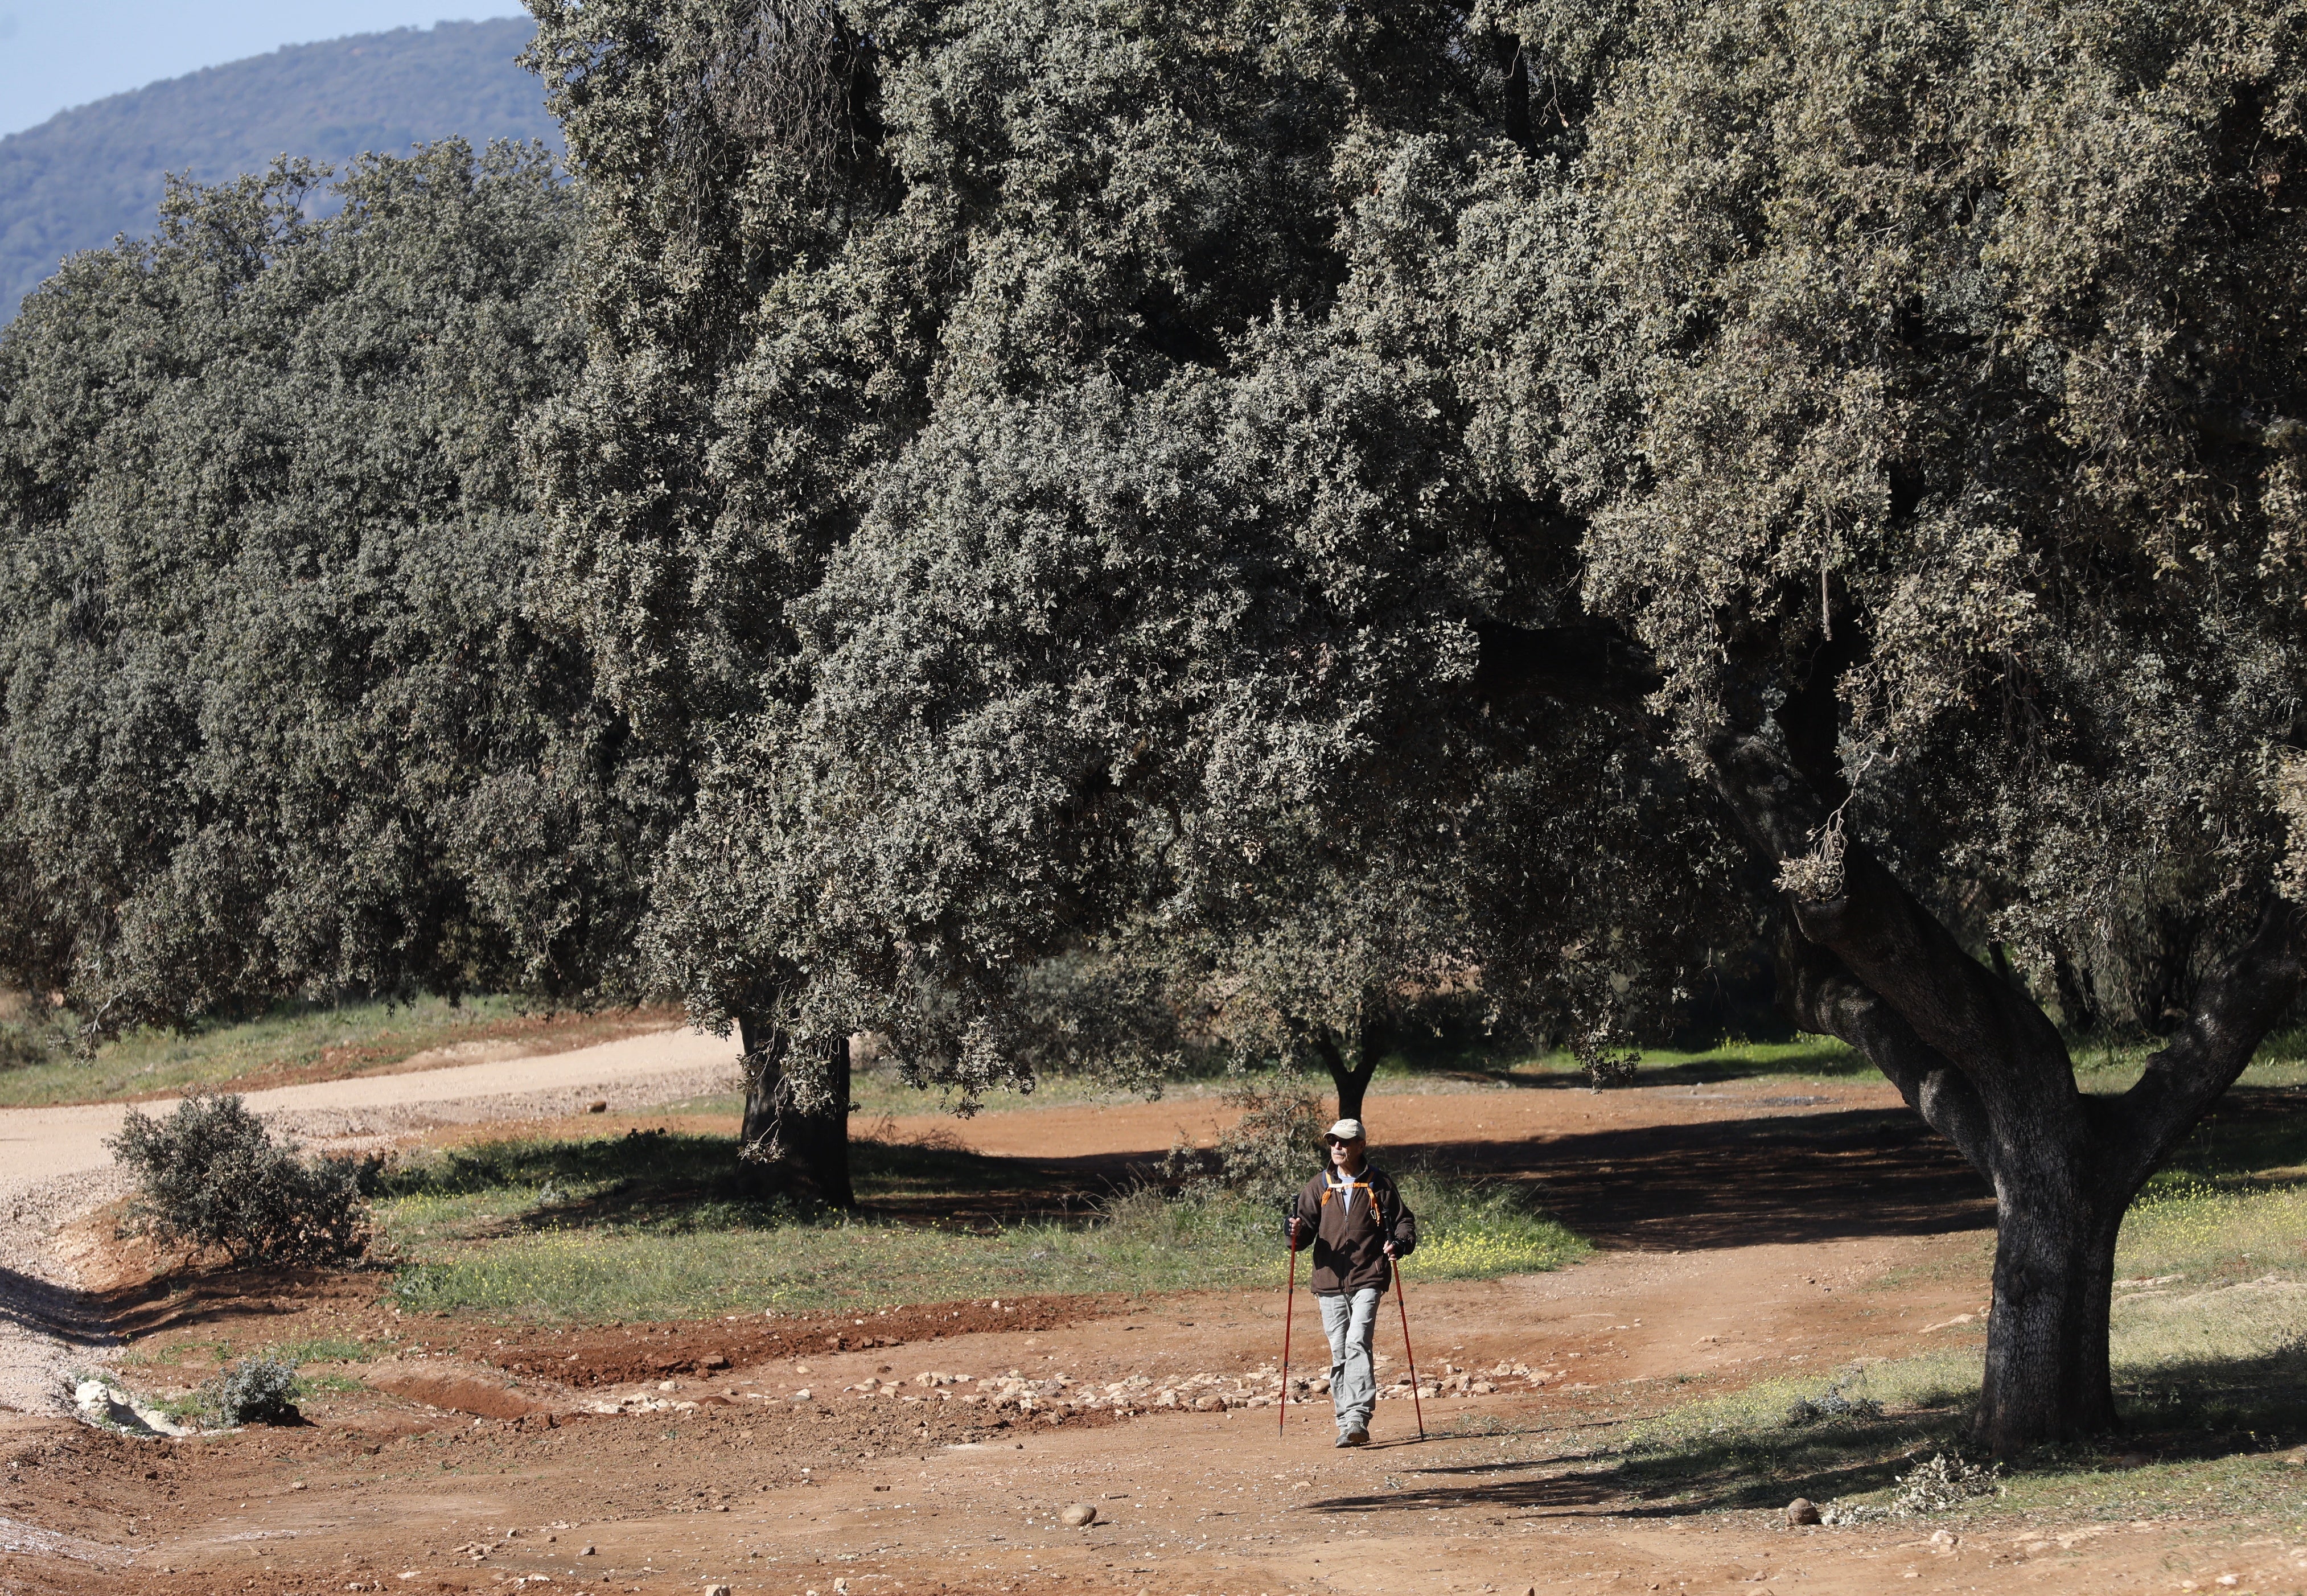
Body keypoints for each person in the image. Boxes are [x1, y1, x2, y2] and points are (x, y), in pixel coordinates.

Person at [1284, 1117, 1417, 1446]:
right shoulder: (1320, 1186)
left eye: (1344, 1142)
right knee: (1339, 1350)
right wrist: (1293, 1233)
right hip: (1328, 1281)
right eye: (1333, 1142)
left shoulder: (1378, 1183)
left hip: (1368, 1276)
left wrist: (1399, 1244)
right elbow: (1300, 1236)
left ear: (1361, 1145)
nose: (1337, 1148)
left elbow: (1404, 1223)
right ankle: (1347, 1424)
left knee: (1358, 1340)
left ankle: (1357, 1416)